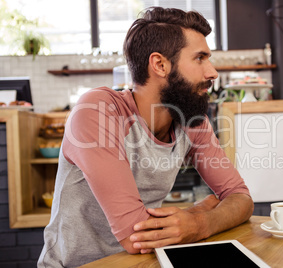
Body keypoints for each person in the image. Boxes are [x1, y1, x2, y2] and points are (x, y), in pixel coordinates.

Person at [38, 7, 253, 267]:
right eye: (200, 58)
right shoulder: (98, 110)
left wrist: (199, 222)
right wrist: (201, 211)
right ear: (160, 64)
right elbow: (136, 235)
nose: (212, 72)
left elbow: (241, 198)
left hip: (148, 262)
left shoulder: (192, 119)